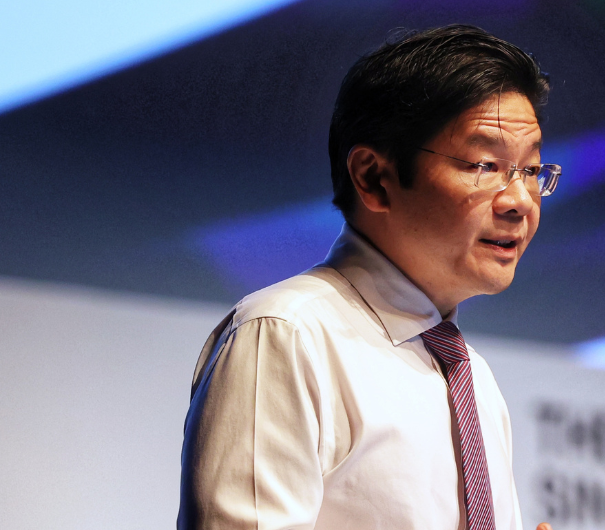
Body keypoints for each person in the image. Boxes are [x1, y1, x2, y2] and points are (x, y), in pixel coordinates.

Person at [179, 25, 560, 530]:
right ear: (373, 177)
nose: (518, 202)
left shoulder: (475, 382)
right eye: (484, 164)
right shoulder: (286, 336)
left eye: (531, 170)